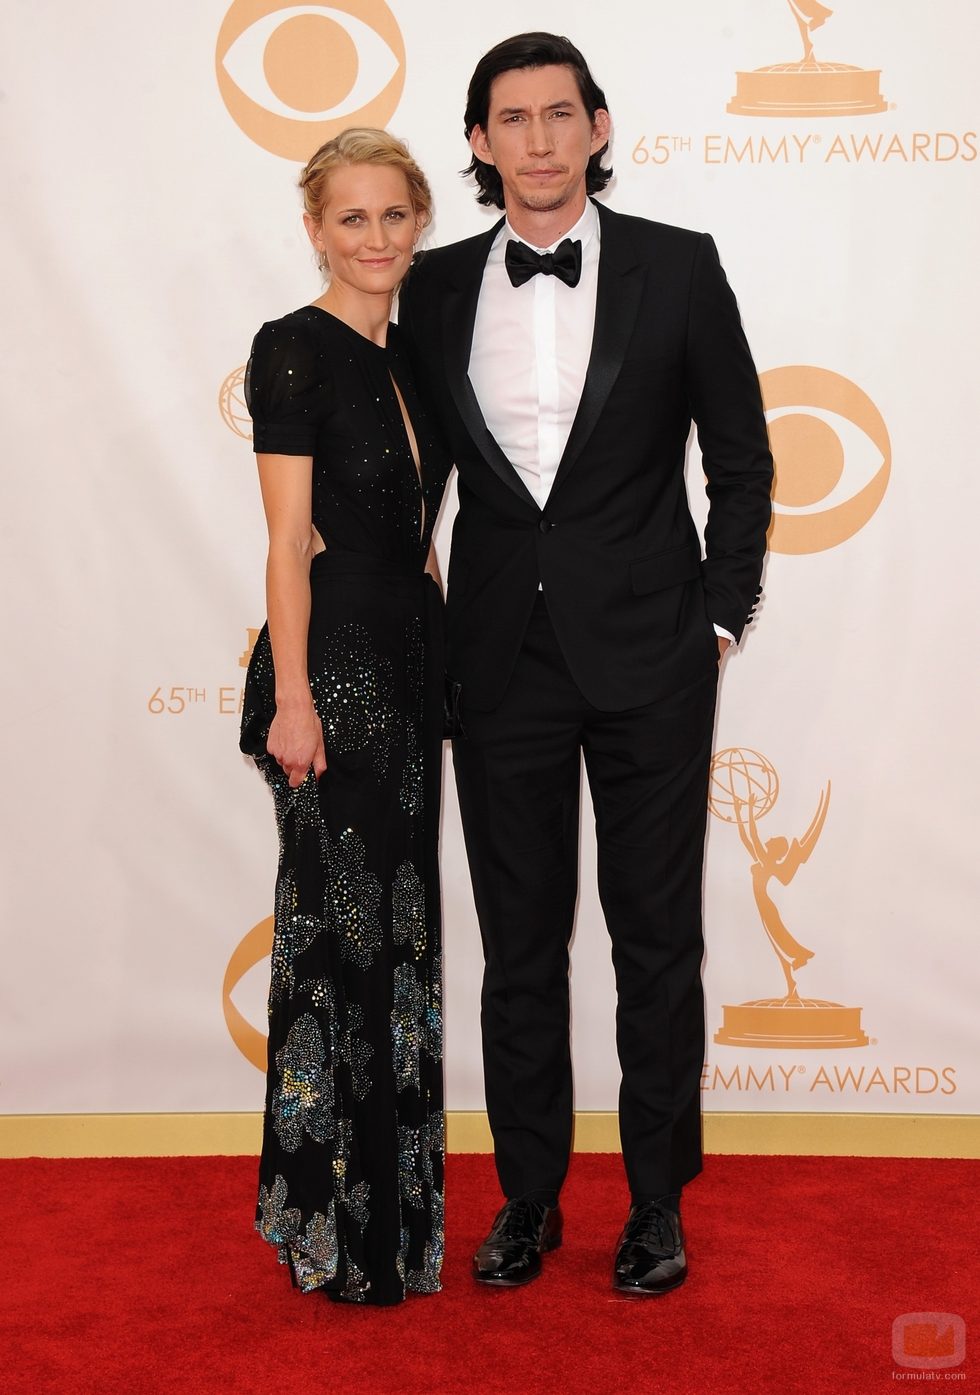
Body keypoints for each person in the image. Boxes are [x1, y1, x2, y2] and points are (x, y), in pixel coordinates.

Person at [398, 33, 773, 1295]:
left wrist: (716, 618)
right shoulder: (437, 287)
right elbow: (414, 491)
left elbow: (740, 457)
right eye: (513, 120)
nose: (540, 141)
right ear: (478, 142)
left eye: (561, 115)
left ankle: (657, 1203)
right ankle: (527, 1199)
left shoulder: (678, 267)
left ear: (599, 128)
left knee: (656, 940)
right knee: (517, 948)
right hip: (496, 664)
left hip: (654, 656)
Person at [239, 128, 450, 1306]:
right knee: (338, 951)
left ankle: (397, 1232)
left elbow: (420, 532)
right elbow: (283, 543)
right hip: (336, 678)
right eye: (351, 219)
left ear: (419, 223)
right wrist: (296, 695)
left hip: (412, 672)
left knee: (400, 948)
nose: (374, 239)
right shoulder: (293, 352)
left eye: (393, 217)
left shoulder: (414, 358)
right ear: (315, 229)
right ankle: (330, 1232)